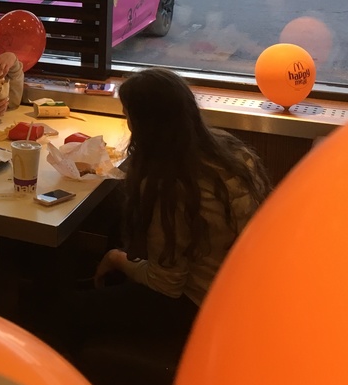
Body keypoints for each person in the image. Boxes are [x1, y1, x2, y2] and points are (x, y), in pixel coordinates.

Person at [47, 67, 270, 351]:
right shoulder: (230, 150)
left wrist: (116, 259)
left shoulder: (170, 184)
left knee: (67, 311)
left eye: (128, 116)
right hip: (241, 291)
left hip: (201, 306)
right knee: (116, 227)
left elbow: (167, 285)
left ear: (145, 125)